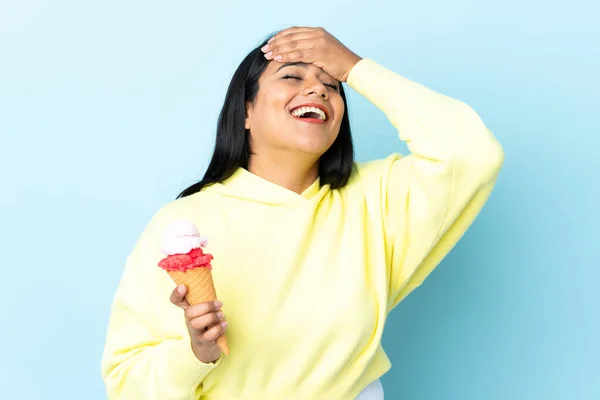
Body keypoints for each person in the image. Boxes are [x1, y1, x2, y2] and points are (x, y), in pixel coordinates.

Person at [101, 26, 504, 400]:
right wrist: (196, 353)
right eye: (292, 76)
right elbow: (125, 380)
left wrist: (355, 68)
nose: (318, 89)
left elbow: (472, 152)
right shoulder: (184, 223)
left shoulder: (376, 199)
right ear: (244, 112)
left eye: (332, 85)